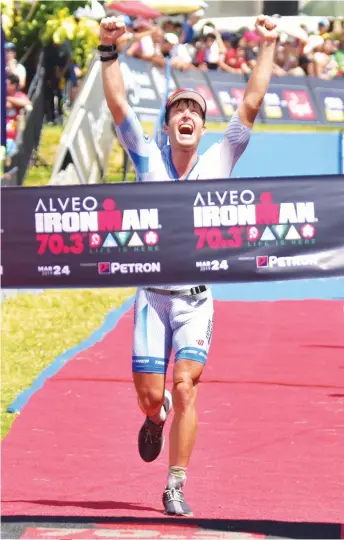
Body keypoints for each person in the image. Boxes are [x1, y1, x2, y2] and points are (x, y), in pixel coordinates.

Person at [99, 13, 278, 516]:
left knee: (185, 387)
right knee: (153, 397)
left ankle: (175, 484)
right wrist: (107, 49)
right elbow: (117, 105)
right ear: (168, 122)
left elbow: (252, 102)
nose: (186, 115)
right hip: (152, 297)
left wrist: (266, 45)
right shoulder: (146, 158)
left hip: (195, 301)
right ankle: (154, 419)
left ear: (202, 126)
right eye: (177, 108)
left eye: (194, 112)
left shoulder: (222, 157)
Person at [5, 73, 31, 155]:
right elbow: (7, 105)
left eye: (6, 84)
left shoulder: (20, 95)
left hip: (14, 135)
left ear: (14, 85)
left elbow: (27, 103)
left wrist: (8, 99)